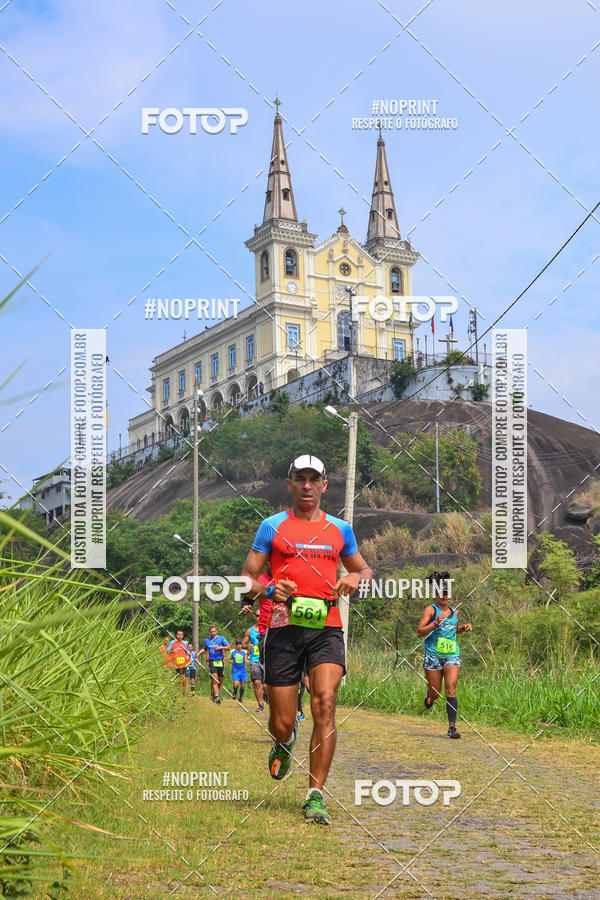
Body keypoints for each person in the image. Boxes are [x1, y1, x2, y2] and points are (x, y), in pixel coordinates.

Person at [241, 454, 372, 825]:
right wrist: (268, 590)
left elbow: (365, 569)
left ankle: (315, 795)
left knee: (325, 702)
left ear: (325, 485)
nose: (308, 486)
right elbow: (245, 581)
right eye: (300, 479)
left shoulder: (340, 530)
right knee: (281, 721)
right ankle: (284, 741)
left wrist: (355, 579)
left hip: (326, 629)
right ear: (290, 483)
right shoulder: (271, 527)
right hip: (282, 629)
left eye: (314, 480)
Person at [417, 571, 473, 739]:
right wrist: (435, 622)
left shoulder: (454, 612)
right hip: (433, 656)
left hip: (451, 654)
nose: (445, 596)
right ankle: (429, 695)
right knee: (436, 692)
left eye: (447, 593)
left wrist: (463, 628)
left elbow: (452, 631)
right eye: (442, 593)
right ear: (436, 595)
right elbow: (420, 632)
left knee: (451, 688)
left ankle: (452, 728)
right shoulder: (430, 610)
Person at [242, 610, 266, 711]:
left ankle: (266, 696)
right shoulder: (250, 630)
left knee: (266, 684)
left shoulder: (267, 629)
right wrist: (248, 646)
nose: (259, 617)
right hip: (254, 658)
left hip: (266, 658)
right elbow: (243, 644)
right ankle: (260, 704)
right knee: (256, 682)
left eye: (261, 616)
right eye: (257, 615)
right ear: (254, 616)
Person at [204, 626, 230, 703]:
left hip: (220, 661)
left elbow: (228, 647)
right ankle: (216, 697)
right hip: (212, 661)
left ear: (217, 631)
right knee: (215, 679)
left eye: (214, 631)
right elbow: (205, 649)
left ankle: (216, 693)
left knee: (220, 680)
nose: (213, 633)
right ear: (209, 632)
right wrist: (202, 651)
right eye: (211, 632)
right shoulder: (207, 640)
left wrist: (220, 648)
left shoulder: (222, 638)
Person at [168, 630, 190, 695]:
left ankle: (184, 692)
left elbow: (187, 652)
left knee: (184, 677)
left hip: (183, 663)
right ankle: (177, 692)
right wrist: (173, 651)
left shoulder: (185, 643)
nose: (179, 636)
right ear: (176, 635)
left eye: (181, 634)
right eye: (178, 634)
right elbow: (167, 651)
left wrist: (188, 656)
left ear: (183, 636)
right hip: (175, 663)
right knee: (176, 677)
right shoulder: (172, 642)